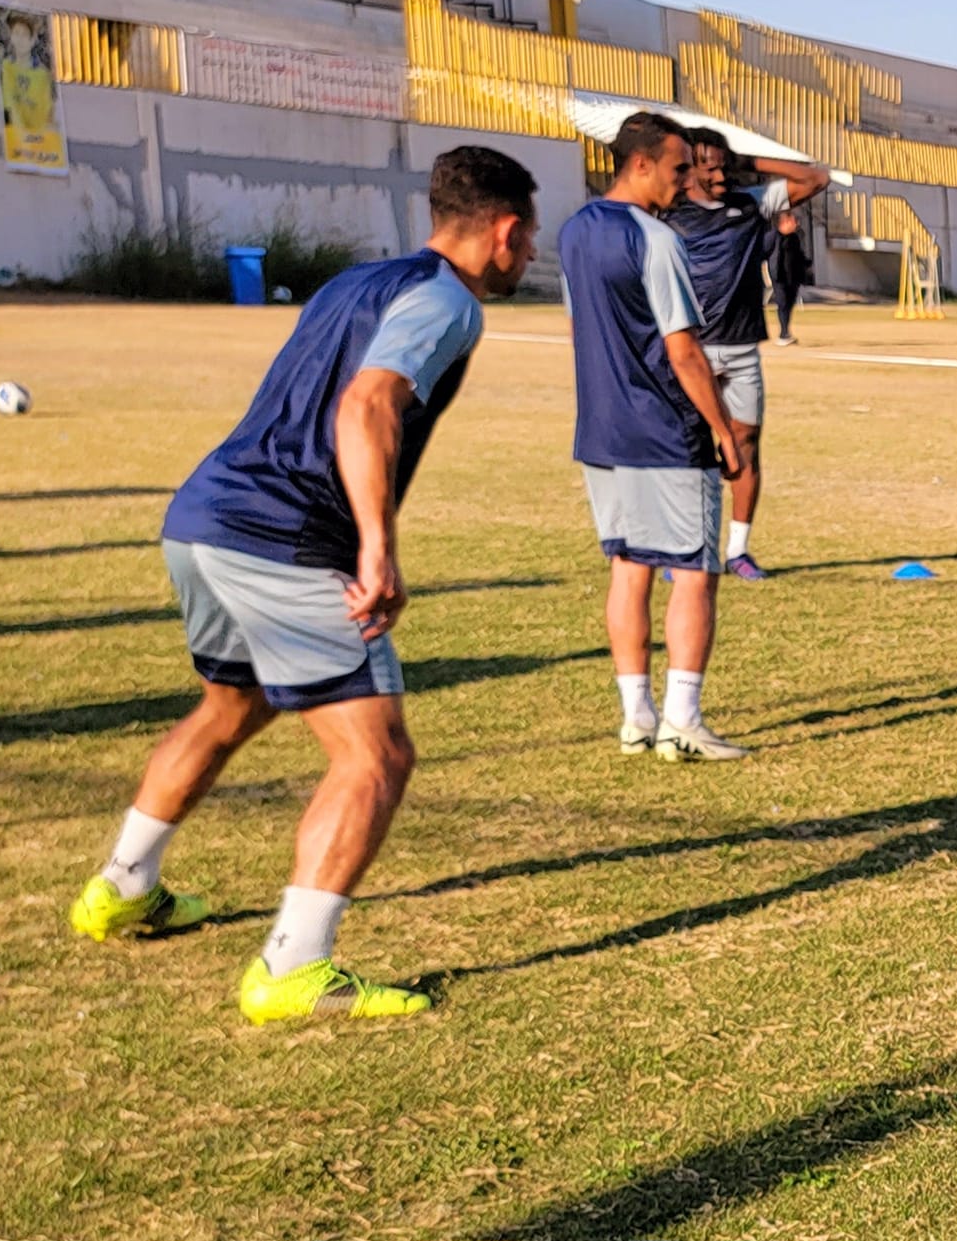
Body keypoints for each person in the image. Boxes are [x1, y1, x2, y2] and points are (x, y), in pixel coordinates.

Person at [68, 146, 540, 1024]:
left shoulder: (352, 283)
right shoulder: (447, 303)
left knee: (230, 707)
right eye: (530, 237)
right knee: (377, 754)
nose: (530, 254)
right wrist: (375, 545)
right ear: (505, 230)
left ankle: (123, 884)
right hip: (282, 537)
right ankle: (294, 963)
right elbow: (367, 404)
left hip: (204, 515)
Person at [561, 112, 749, 762]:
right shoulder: (655, 239)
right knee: (695, 571)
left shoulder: (575, 231)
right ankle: (684, 721)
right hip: (665, 432)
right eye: (677, 169)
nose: (686, 181)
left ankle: (636, 717)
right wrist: (723, 430)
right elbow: (683, 350)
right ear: (639, 164)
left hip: (601, 432)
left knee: (629, 565)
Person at [667, 125, 830, 580]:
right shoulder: (668, 214)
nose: (719, 172)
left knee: (746, 447)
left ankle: (737, 551)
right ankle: (684, 548)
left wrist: (748, 161)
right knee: (686, 449)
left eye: (723, 162)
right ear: (687, 170)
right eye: (708, 164)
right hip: (689, 350)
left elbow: (816, 178)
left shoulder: (750, 202)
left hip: (740, 349)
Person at [770, 207, 812, 346]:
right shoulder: (774, 237)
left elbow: (798, 256)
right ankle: (783, 334)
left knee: (789, 305)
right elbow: (763, 253)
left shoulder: (795, 237)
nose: (796, 224)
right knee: (782, 304)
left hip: (793, 278)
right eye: (793, 221)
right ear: (785, 222)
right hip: (779, 277)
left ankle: (786, 332)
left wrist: (806, 264)